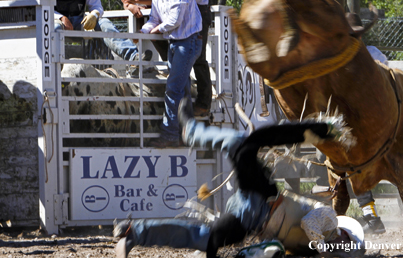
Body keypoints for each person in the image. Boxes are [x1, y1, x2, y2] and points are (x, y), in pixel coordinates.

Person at [113, 98, 365, 258]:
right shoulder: (329, 219)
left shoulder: (308, 251)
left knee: (208, 237)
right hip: (263, 195)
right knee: (245, 145)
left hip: (251, 217)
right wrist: (324, 249)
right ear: (345, 233)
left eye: (346, 245)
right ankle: (192, 131)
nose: (344, 241)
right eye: (348, 239)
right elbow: (310, 224)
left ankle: (134, 231)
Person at [141, 0, 202, 148]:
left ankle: (169, 134)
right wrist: (142, 31)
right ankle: (189, 135)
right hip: (177, 43)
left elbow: (173, 21)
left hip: (187, 42)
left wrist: (155, 29)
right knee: (181, 89)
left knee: (173, 88)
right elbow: (154, 18)